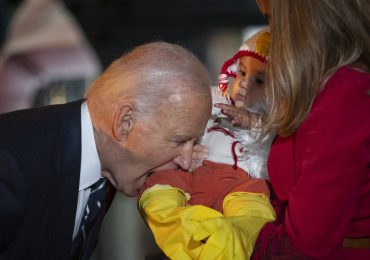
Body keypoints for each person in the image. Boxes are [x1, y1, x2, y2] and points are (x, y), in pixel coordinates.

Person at [0, 41, 212, 260]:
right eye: (180, 141)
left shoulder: (105, 165)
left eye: (194, 143)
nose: (187, 161)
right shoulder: (10, 163)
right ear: (125, 123)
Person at [219, 0, 370, 258]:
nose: (269, 36)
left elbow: (307, 244)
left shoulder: (345, 92)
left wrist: (222, 232)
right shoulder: (327, 87)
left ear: (305, 22)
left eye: (272, 19)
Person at [137, 28, 276, 260]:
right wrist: (179, 151)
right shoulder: (214, 97)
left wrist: (253, 121)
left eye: (259, 81)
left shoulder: (274, 121)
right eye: (241, 73)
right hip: (187, 172)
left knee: (257, 216)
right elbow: (176, 114)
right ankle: (211, 236)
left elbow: (275, 143)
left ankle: (221, 238)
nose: (243, 84)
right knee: (158, 199)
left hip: (238, 186)